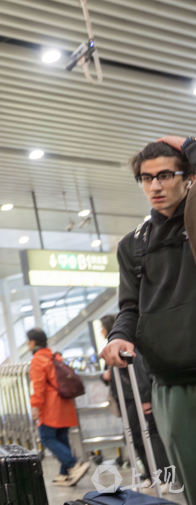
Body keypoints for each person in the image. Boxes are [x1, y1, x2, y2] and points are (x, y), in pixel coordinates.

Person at [102, 137, 196, 498]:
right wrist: (118, 336)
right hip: (169, 385)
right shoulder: (134, 244)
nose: (155, 186)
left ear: (188, 177)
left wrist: (189, 144)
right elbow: (130, 306)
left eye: (166, 175)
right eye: (146, 178)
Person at [99, 314, 171, 482]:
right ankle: (151, 473)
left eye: (102, 327)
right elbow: (111, 372)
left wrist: (144, 398)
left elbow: (139, 372)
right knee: (137, 437)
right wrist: (104, 377)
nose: (101, 331)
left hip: (136, 397)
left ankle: (161, 475)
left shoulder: (125, 344)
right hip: (128, 398)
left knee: (147, 435)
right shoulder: (112, 347)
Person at [27, 329, 89, 487]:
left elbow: (38, 386)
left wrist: (35, 406)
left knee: (46, 437)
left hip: (51, 406)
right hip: (65, 403)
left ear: (33, 342)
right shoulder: (55, 356)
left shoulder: (38, 360)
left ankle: (74, 464)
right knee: (61, 438)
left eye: (28, 341)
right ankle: (64, 474)